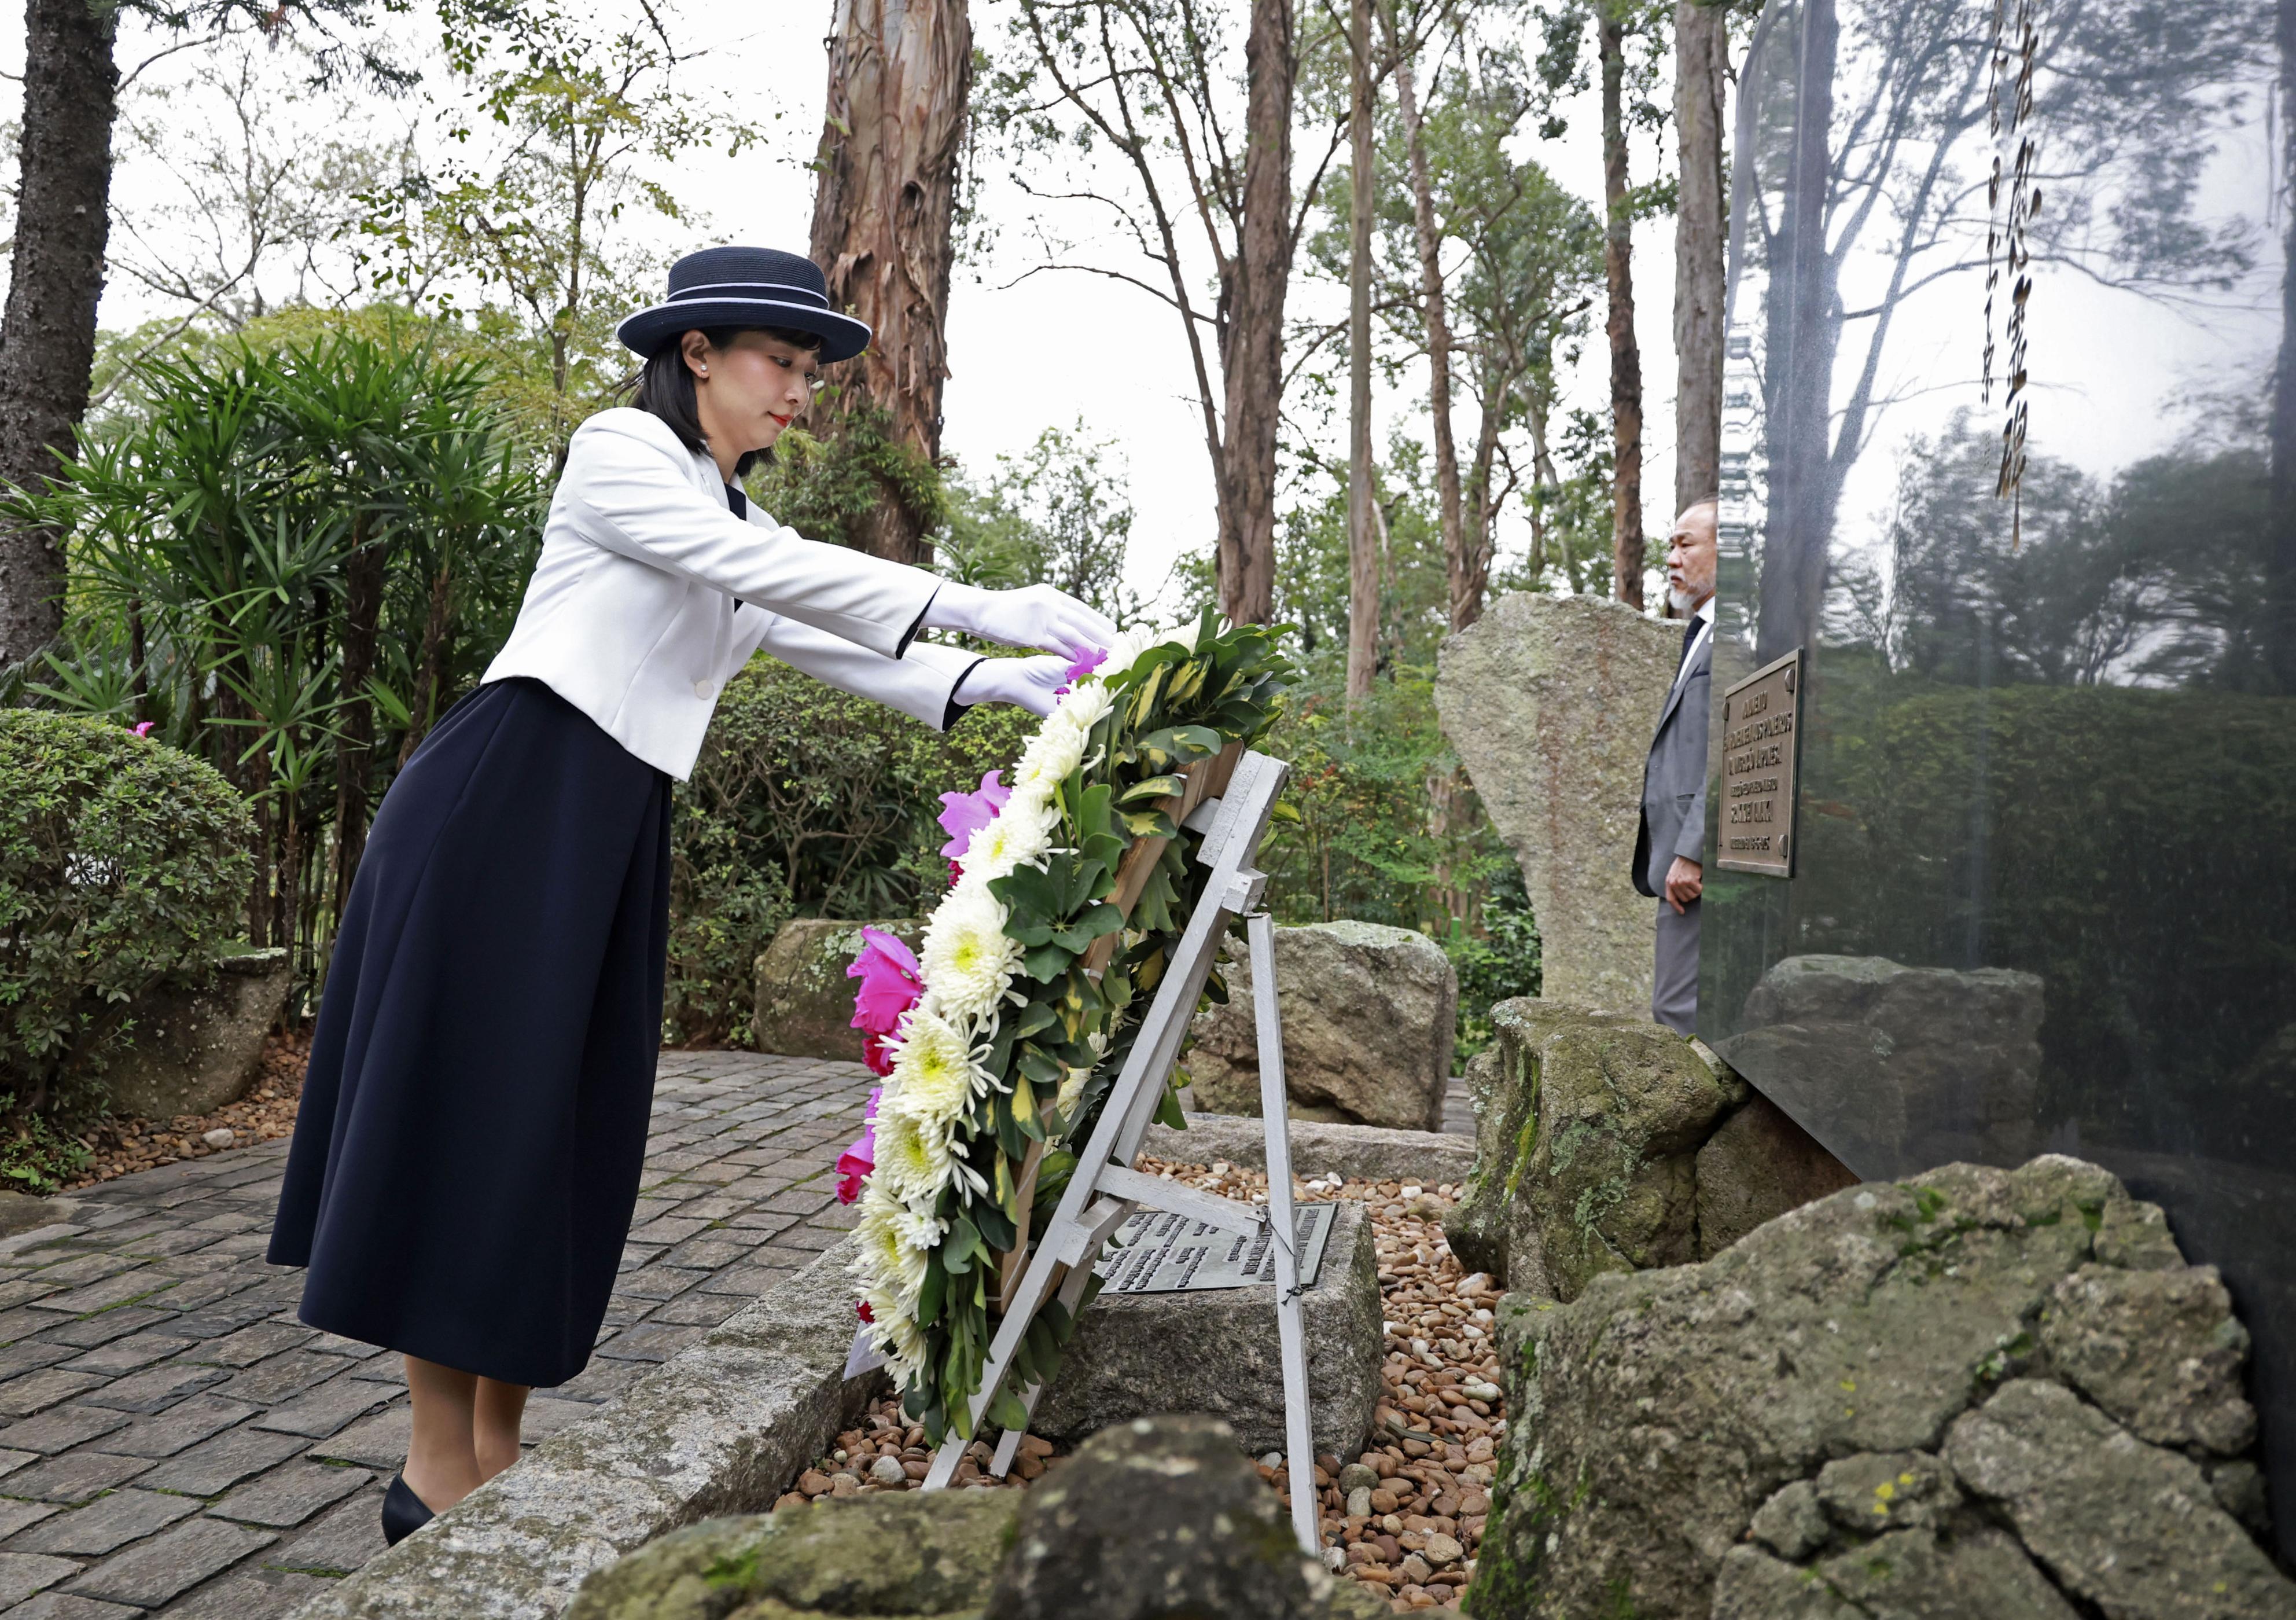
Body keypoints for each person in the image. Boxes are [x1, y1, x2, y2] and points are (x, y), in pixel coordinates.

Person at [265, 246, 1116, 1546]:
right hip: (510, 797)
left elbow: (811, 624)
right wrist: (984, 603)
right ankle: (435, 1473)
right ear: (698, 353)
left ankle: (496, 1446)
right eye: (781, 360)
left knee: (549, 1126)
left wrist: (990, 681)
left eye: (812, 370)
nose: (799, 391)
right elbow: (789, 584)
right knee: (470, 1118)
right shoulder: (620, 452)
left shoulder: (742, 523)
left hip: (606, 823)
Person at [1633, 499, 1717, 1035]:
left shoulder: (1735, 634)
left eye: (1686, 543)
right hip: (1680, 864)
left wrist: (1693, 849)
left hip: (1698, 864)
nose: (1672, 557)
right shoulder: (1702, 633)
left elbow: (1737, 746)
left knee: (1677, 1016)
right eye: (1670, 544)